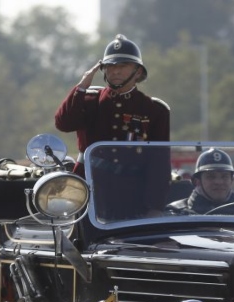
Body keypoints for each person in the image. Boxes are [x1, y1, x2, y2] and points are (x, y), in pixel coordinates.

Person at [55, 34, 171, 219]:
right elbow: (64, 123)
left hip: (132, 193)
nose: (115, 71)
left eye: (122, 66)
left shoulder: (154, 110)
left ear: (138, 72)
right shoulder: (89, 100)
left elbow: (159, 162)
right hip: (89, 190)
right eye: (110, 66)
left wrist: (155, 205)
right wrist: (81, 87)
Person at [167, 148, 234, 214]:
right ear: (197, 181)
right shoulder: (177, 213)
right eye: (211, 177)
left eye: (224, 176)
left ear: (232, 180)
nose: (219, 182)